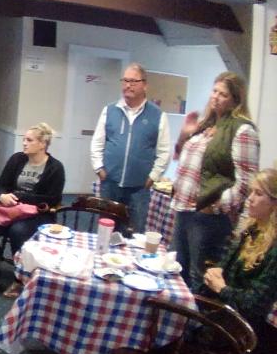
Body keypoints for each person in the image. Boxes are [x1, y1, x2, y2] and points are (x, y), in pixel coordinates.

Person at [170, 71, 259, 288]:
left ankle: (197, 321)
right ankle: (178, 320)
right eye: (215, 91)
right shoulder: (207, 125)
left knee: (198, 276)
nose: (216, 97)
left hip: (207, 217)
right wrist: (185, 135)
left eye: (224, 94)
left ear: (236, 100)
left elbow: (246, 181)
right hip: (184, 208)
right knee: (177, 269)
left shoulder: (242, 130)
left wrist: (217, 206)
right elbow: (180, 156)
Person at [0, 123, 65, 298]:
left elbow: (52, 199)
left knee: (18, 232)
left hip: (36, 213)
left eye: (29, 140)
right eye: (24, 139)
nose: (24, 143)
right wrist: (1, 196)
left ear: (42, 144)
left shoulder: (55, 168)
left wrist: (17, 196)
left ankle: (19, 278)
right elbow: (0, 185)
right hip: (7, 207)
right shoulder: (17, 159)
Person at [90, 63, 171, 232]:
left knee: (134, 234)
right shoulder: (110, 110)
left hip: (139, 189)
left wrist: (153, 177)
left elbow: (164, 152)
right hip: (110, 184)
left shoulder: (158, 115)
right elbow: (97, 143)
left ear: (145, 85)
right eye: (125, 80)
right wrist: (99, 169)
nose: (128, 85)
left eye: (133, 81)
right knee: (106, 231)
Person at [199, 169, 277, 336]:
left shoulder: (274, 248)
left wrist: (222, 288)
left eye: (258, 194)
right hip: (223, 309)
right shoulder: (251, 229)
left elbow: (256, 303)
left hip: (239, 327)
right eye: (251, 192)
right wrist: (217, 270)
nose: (250, 199)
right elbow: (225, 264)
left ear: (274, 203)